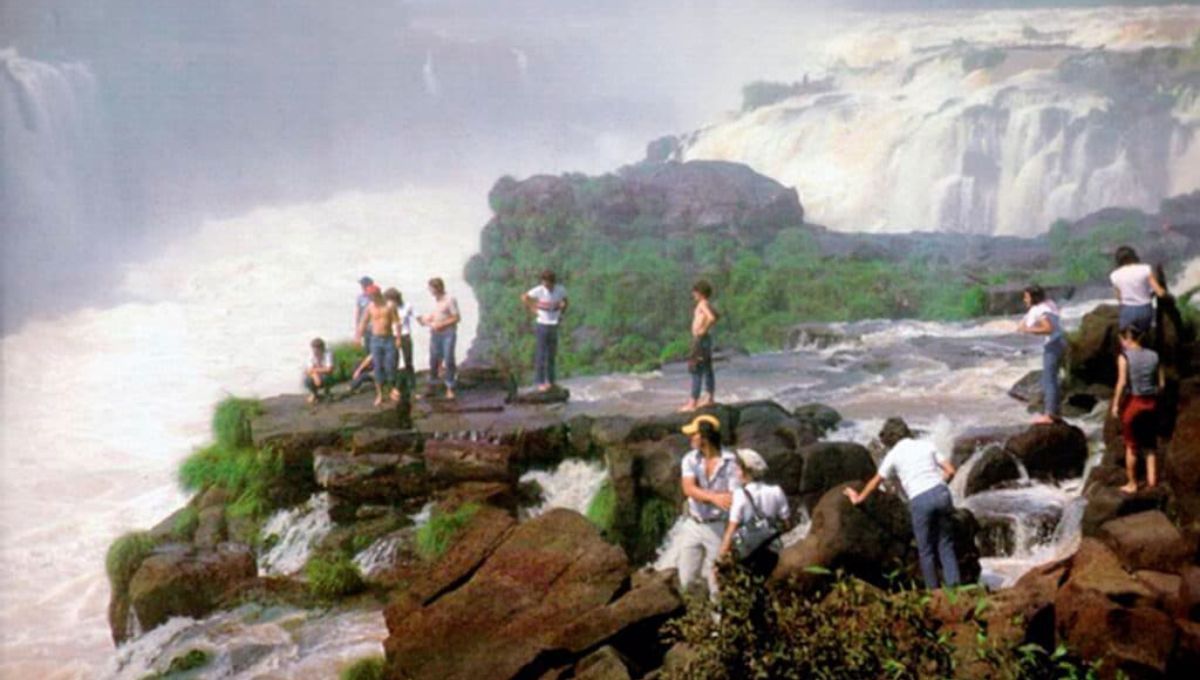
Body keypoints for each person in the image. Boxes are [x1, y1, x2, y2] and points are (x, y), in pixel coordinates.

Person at [843, 420, 960, 590]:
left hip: (919, 499)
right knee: (945, 544)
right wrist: (938, 488)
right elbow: (950, 471)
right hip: (941, 492)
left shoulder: (894, 454)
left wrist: (859, 498)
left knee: (925, 550)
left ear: (889, 440)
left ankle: (933, 592)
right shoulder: (926, 445)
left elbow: (877, 481)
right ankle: (955, 588)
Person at [678, 414, 739, 599]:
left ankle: (717, 626)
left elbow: (734, 499)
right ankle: (695, 619)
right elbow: (688, 488)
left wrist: (728, 539)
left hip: (718, 527)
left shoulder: (731, 462)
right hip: (693, 525)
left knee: (717, 584)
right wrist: (714, 497)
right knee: (686, 579)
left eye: (693, 434)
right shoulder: (690, 459)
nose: (690, 438)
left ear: (704, 437)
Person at [717, 448, 791, 579]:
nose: (736, 472)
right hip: (773, 551)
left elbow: (731, 529)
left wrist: (721, 557)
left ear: (746, 472)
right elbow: (787, 524)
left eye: (738, 469)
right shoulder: (777, 491)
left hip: (749, 554)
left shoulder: (740, 495)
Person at [1111, 327, 1164, 494]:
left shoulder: (1124, 357)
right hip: (1152, 403)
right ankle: (1152, 483)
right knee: (1150, 446)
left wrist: (1115, 404)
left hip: (1134, 404)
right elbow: (1162, 384)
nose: (1121, 344)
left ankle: (1132, 484)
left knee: (1131, 446)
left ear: (1128, 338)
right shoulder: (1154, 355)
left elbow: (1122, 382)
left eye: (1121, 340)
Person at [1018, 284, 1066, 424]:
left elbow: (1048, 328)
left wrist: (1027, 330)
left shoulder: (1041, 309)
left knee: (1049, 380)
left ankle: (1050, 415)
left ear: (1034, 297)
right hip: (1060, 342)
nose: (1024, 299)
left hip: (1053, 345)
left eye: (1026, 297)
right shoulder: (1048, 304)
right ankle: (1054, 412)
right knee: (1051, 379)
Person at [521, 269, 569, 391]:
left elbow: (565, 300)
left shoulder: (560, 290)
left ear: (553, 282)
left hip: (554, 323)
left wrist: (562, 312)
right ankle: (540, 381)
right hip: (542, 324)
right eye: (544, 282)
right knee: (541, 353)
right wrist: (533, 309)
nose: (546, 285)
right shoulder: (539, 290)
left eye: (548, 282)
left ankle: (551, 381)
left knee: (551, 354)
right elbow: (524, 297)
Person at [356, 286, 400, 406]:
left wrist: (399, 338)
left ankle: (392, 389)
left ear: (378, 293)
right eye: (370, 296)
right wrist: (358, 337)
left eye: (372, 295)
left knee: (390, 365)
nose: (371, 298)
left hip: (389, 338)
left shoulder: (390, 305)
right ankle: (380, 394)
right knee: (377, 367)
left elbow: (397, 322)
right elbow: (363, 322)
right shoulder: (370, 307)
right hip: (375, 339)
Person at [680, 280, 719, 412]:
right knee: (707, 368)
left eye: (695, 292)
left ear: (700, 293)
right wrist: (705, 328)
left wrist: (703, 329)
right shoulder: (706, 304)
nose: (693, 294)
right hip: (704, 339)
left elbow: (712, 318)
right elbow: (716, 316)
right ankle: (709, 397)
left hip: (701, 340)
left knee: (696, 369)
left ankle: (693, 402)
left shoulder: (702, 304)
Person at [418, 277, 460, 400]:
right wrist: (426, 320)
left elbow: (456, 318)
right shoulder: (435, 301)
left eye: (431, 288)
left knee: (448, 358)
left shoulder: (450, 299)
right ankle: (432, 387)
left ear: (438, 288)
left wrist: (442, 324)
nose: (430, 291)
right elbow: (435, 315)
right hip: (435, 333)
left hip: (447, 333)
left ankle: (450, 388)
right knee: (434, 359)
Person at [1110, 246, 1166, 333]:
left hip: (1127, 310)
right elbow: (1159, 292)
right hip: (1145, 310)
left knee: (1127, 339)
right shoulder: (1145, 269)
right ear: (1133, 256)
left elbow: (1119, 298)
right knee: (1143, 336)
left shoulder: (1114, 275)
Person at [389, 288, 416, 390]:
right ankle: (395, 387)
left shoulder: (406, 306)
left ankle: (412, 386)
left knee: (408, 361)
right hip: (392, 336)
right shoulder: (388, 308)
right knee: (393, 362)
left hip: (405, 335)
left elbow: (417, 316)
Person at [303, 338, 335, 404]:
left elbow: (329, 369)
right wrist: (315, 376)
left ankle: (327, 392)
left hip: (326, 374)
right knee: (307, 379)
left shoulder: (328, 354)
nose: (315, 351)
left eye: (317, 349)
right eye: (313, 349)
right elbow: (308, 370)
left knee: (326, 377)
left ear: (322, 349)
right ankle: (314, 394)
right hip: (317, 374)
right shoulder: (310, 355)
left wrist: (315, 370)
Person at [355, 276, 375, 349]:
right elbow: (358, 314)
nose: (362, 287)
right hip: (365, 327)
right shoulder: (360, 297)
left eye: (363, 285)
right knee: (367, 346)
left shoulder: (375, 296)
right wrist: (358, 329)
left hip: (374, 326)